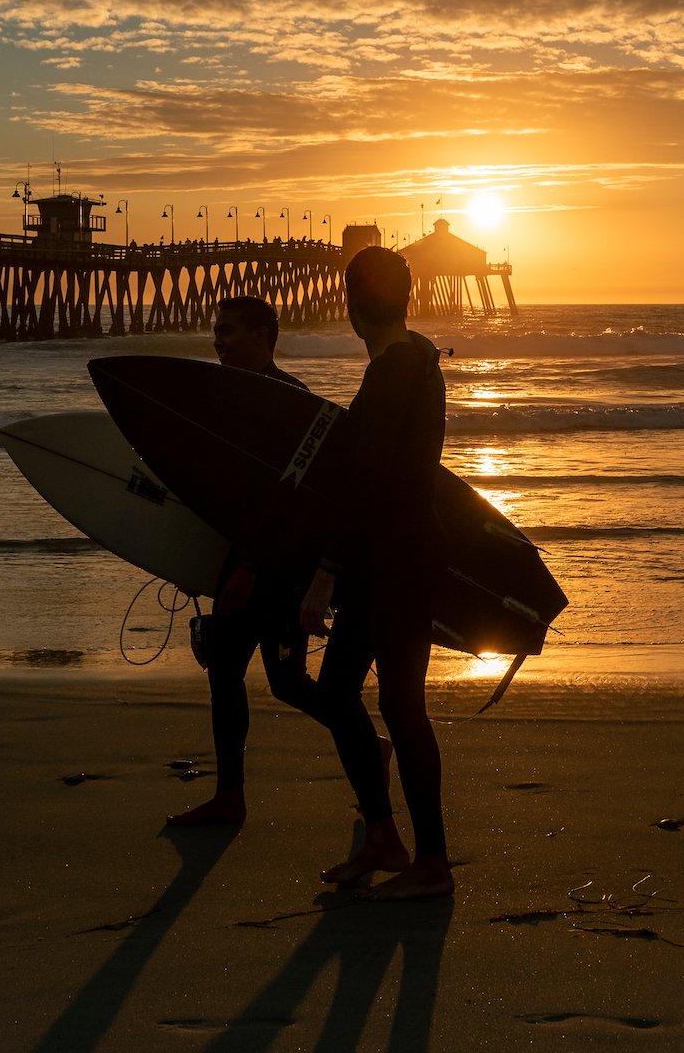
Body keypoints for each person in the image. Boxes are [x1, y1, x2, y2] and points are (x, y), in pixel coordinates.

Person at [298, 246, 454, 900]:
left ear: (353, 308)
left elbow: (369, 484)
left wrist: (324, 573)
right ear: (408, 297)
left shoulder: (393, 372)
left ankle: (431, 863)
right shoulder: (420, 357)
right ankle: (389, 838)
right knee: (350, 694)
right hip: (405, 556)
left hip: (388, 563)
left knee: (396, 706)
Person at [167, 295, 337, 827]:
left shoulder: (289, 401)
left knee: (284, 681)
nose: (217, 340)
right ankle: (230, 795)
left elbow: (289, 504)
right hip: (242, 561)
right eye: (215, 330)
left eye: (230, 331)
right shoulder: (227, 399)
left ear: (265, 335)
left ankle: (365, 741)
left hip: (277, 572)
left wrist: (248, 570)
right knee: (226, 672)